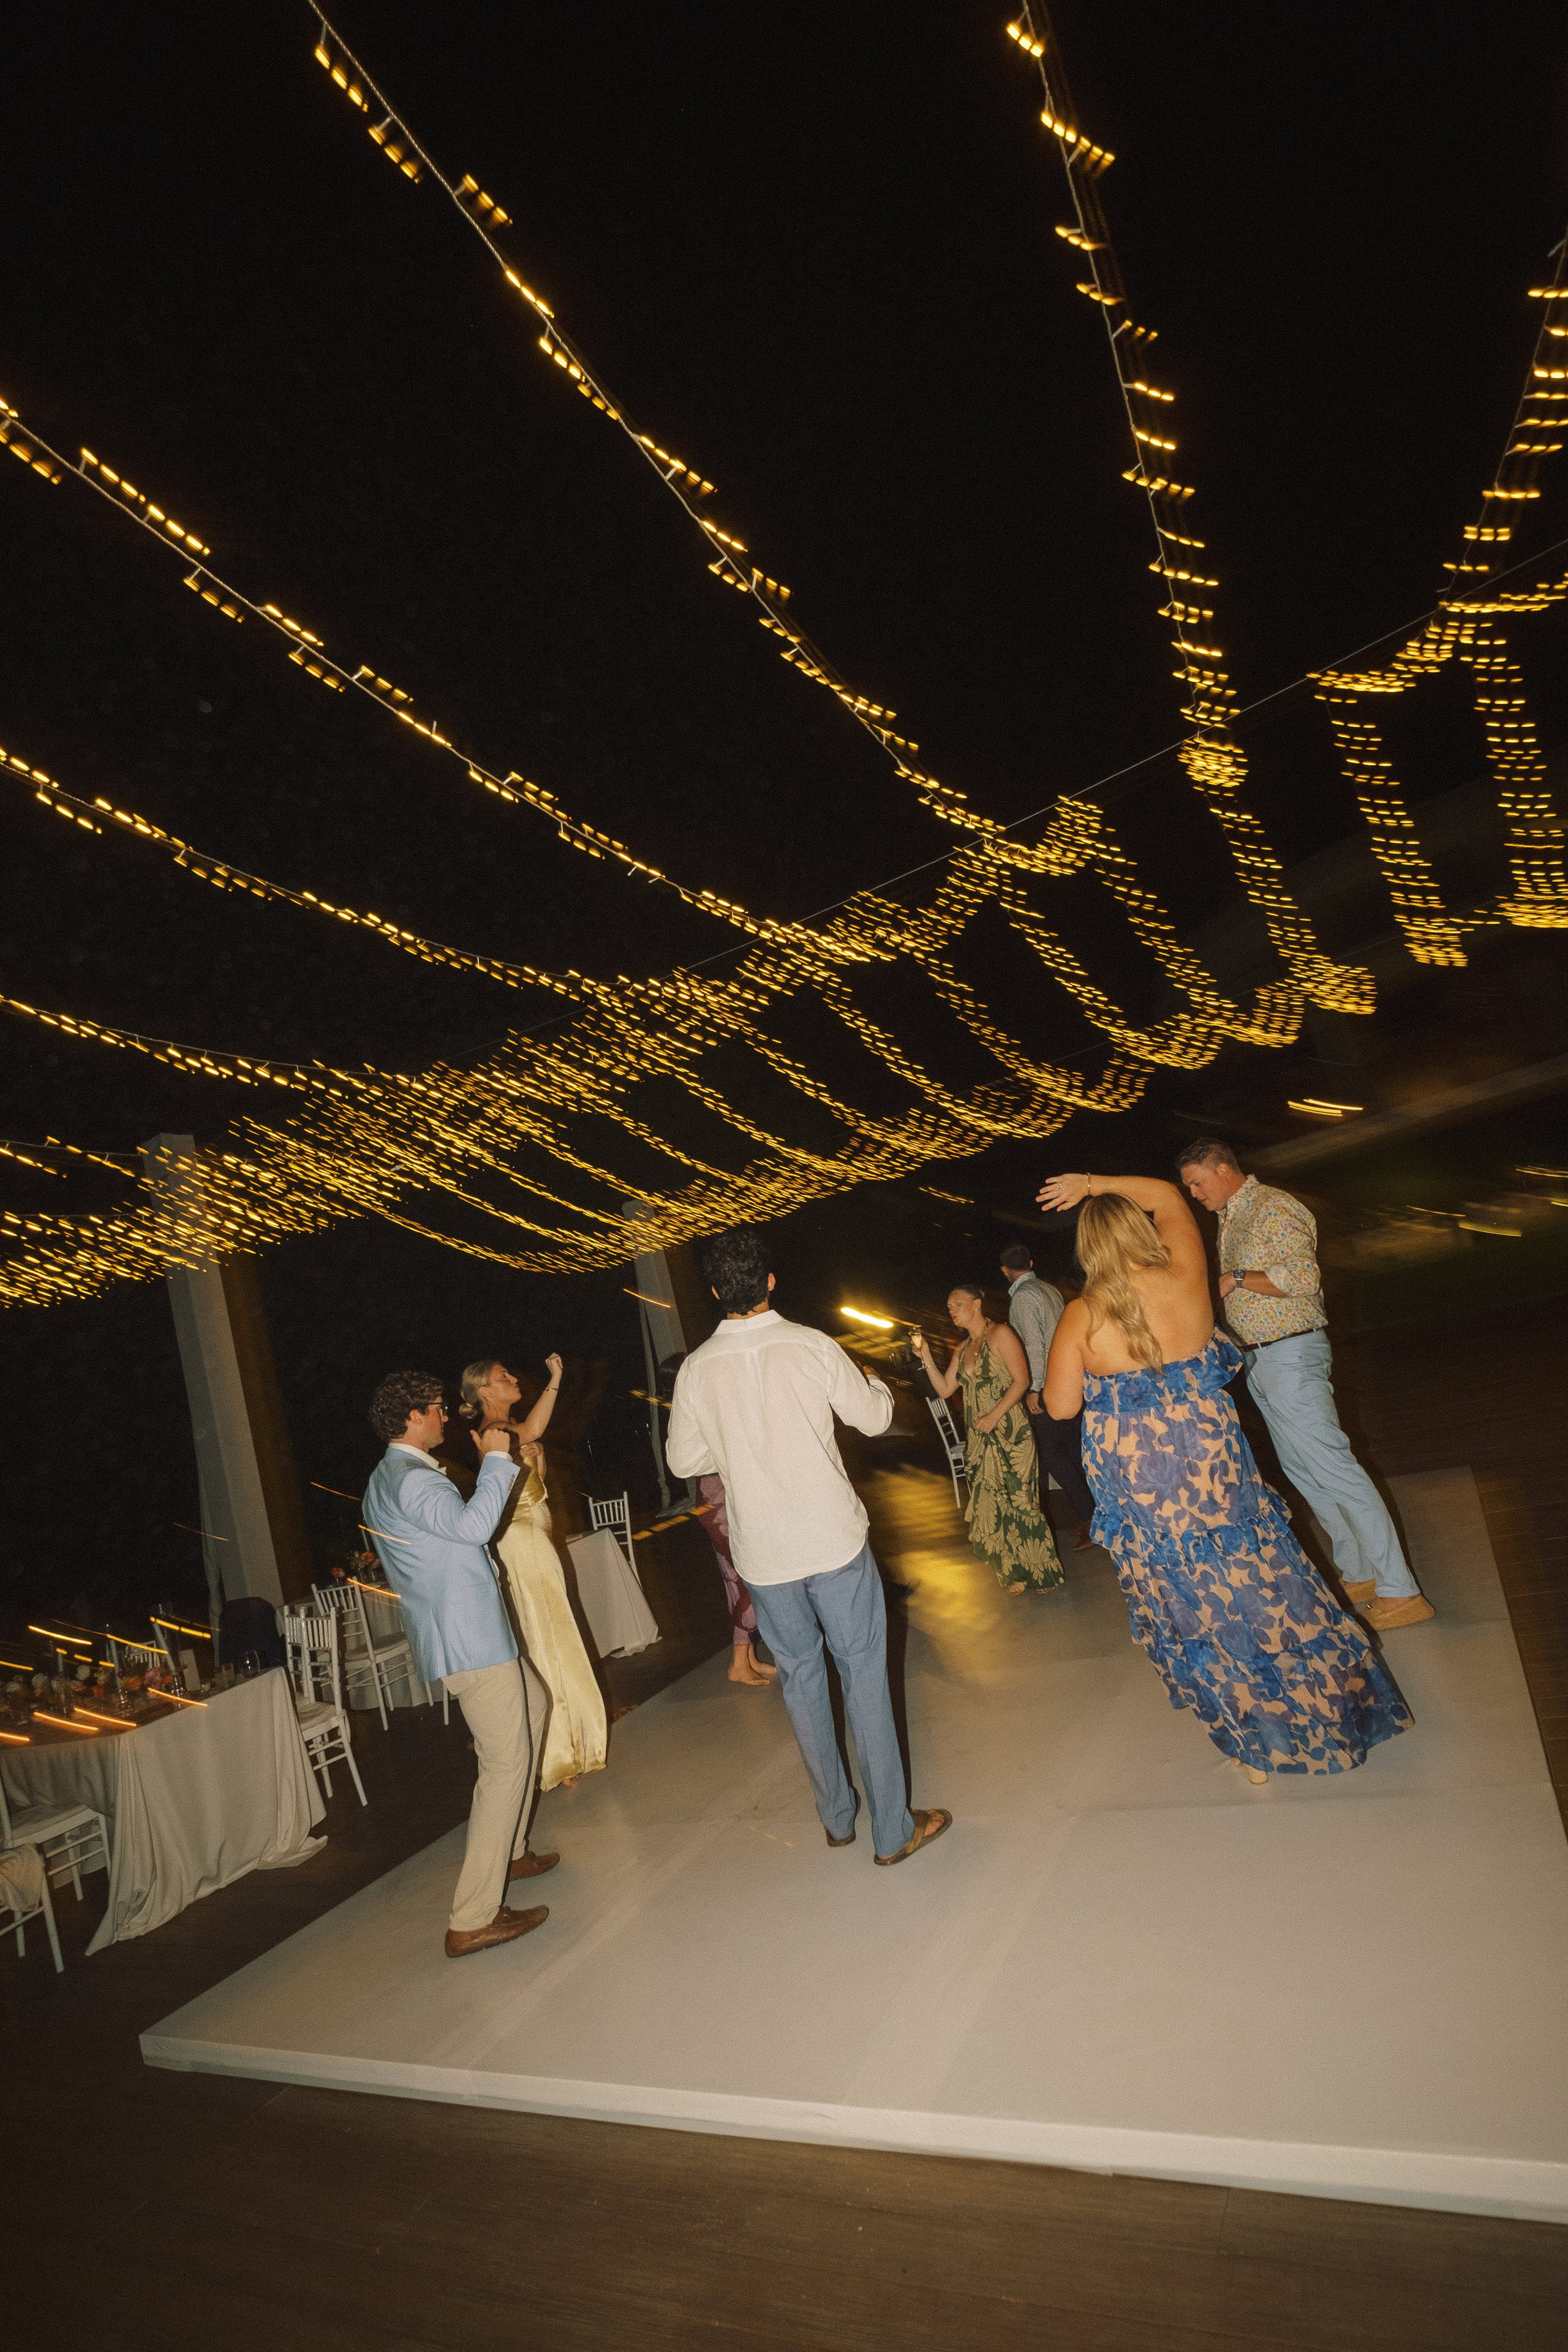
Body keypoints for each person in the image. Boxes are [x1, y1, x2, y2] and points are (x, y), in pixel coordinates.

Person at [1037, 1172, 1411, 1780]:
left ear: (1089, 1249)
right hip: (1214, 1465)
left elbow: (1060, 1408)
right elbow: (1169, 1196)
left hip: (1143, 1485)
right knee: (1260, 1582)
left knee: (1194, 1603)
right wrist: (1091, 1182)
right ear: (1140, 1231)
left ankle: (1255, 1743)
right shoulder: (1187, 1278)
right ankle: (1330, 1712)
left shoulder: (1082, 1314)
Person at [665, 1226, 950, 1866]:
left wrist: (734, 1440)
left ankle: (837, 1819)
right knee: (864, 1677)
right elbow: (874, 1419)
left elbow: (684, 1457)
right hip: (831, 1541)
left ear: (714, 1291)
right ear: (769, 1281)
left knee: (800, 1679)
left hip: (764, 1553)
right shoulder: (810, 1345)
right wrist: (875, 1385)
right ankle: (892, 1831)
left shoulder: (697, 1370)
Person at [1175, 1139, 1434, 1632]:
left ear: (1225, 1169)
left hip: (1291, 1351)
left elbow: (1303, 1278)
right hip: (1261, 1358)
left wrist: (1237, 1277)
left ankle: (1402, 1591)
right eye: (1189, 1186)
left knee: (1335, 1468)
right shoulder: (1231, 1217)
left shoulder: (1273, 1206)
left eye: (1197, 1182)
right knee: (1305, 1472)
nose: (1193, 1193)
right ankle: (1360, 1574)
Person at [362, 1370, 559, 1958]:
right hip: (469, 1639)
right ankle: (471, 1917)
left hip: (466, 1633)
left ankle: (514, 1850)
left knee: (539, 1705)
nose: (447, 1417)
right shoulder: (414, 1481)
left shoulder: (387, 1476)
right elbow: (476, 1529)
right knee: (504, 1766)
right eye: (438, 1409)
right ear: (414, 1417)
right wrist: (499, 1459)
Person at [459, 1355, 609, 1792]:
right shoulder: (495, 1432)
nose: (511, 1379)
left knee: (552, 1630)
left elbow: (533, 1483)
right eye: (502, 1378)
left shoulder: (508, 1432)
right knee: (547, 1633)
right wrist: (558, 1378)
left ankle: (567, 1739)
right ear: (485, 1391)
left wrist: (538, 1459)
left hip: (532, 1534)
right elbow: (535, 1433)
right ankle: (557, 1749)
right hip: (522, 1540)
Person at [913, 1286, 1063, 1596]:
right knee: (993, 1500)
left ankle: (1042, 1571)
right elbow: (944, 1389)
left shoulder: (1001, 1334)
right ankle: (1014, 1572)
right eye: (948, 1305)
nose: (952, 1309)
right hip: (980, 1437)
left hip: (1011, 1429)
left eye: (958, 1303)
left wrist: (994, 1415)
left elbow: (1021, 1381)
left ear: (977, 1303)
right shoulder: (962, 1349)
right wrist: (926, 1356)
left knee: (1022, 1499)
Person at [658, 1351, 777, 1687]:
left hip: (718, 1500)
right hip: (720, 1503)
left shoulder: (688, 1411)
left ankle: (748, 1656)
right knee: (751, 1579)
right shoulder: (694, 1411)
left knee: (733, 1579)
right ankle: (739, 1660)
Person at [998, 1242, 1096, 1536]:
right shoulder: (1049, 1290)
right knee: (1074, 1450)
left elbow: (1034, 1346)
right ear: (1030, 1262)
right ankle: (1101, 1513)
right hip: (1070, 1380)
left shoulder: (1024, 1298)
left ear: (1005, 1271)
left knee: (1052, 1454)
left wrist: (1035, 1388)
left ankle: (1091, 1518)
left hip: (1049, 1386)